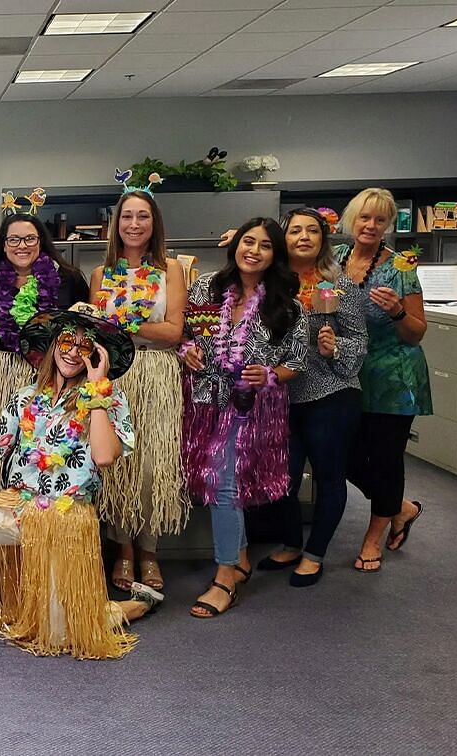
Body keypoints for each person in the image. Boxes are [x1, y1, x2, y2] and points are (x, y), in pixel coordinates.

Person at [0, 302, 158, 661]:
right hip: (17, 507)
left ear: (97, 354)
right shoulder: (26, 398)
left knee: (61, 636)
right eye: (67, 341)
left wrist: (97, 389)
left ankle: (135, 605)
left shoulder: (110, 400)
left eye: (85, 345)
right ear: (54, 343)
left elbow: (104, 457)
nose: (73, 352)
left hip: (65, 519)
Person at [181, 218, 307, 618]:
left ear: (275, 255)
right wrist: (187, 350)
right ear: (234, 244)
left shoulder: (287, 303)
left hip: (252, 408)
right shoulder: (206, 287)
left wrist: (270, 374)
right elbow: (186, 333)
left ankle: (225, 577)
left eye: (265, 245)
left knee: (224, 483)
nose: (253, 250)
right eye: (247, 241)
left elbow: (298, 362)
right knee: (217, 479)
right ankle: (239, 557)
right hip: (205, 402)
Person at [254, 209, 367, 586]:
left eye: (312, 231)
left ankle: (315, 553)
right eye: (295, 230)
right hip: (282, 395)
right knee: (282, 478)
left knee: (329, 476)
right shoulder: (270, 286)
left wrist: (336, 347)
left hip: (330, 393)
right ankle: (290, 542)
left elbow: (359, 342)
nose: (303, 236)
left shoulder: (340, 286)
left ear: (323, 239)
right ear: (283, 239)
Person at [89, 190, 188, 592]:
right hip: (114, 376)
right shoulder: (101, 273)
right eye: (126, 216)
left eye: (142, 216)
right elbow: (96, 331)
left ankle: (149, 550)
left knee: (151, 468)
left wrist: (126, 325)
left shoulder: (172, 270)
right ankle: (123, 549)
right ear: (116, 224)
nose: (133, 224)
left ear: (154, 223)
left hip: (157, 374)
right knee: (117, 466)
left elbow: (173, 332)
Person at [333, 188, 431, 572]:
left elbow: (417, 332)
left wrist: (396, 313)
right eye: (364, 217)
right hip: (351, 372)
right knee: (343, 455)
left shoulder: (401, 268)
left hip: (394, 376)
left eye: (380, 219)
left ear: (388, 224)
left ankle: (372, 539)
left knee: (387, 460)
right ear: (351, 220)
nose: (371, 225)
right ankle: (401, 508)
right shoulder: (337, 260)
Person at [0, 212, 88, 496]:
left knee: (45, 447)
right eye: (14, 239)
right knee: (1, 442)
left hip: (52, 375)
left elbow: (86, 328)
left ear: (41, 242)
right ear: (4, 244)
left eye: (29, 238)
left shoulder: (68, 279)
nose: (22, 245)